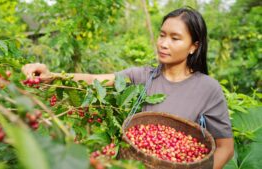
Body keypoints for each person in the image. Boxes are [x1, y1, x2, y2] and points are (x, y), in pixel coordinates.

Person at [22, 7, 234, 169]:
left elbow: (226, 147)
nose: (163, 43)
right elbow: (95, 79)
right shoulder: (143, 76)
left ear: (193, 46)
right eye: (162, 35)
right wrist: (53, 76)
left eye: (174, 38)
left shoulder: (208, 89)